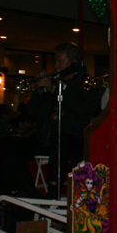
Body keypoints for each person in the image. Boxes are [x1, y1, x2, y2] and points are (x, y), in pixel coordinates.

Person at [26, 43, 102, 198]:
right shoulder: (54, 81)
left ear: (72, 63)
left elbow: (86, 111)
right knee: (8, 147)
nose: (55, 65)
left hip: (73, 139)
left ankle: (54, 193)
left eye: (59, 61)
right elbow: (31, 112)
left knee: (61, 139)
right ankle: (29, 194)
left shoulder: (85, 82)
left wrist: (55, 92)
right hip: (45, 138)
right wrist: (40, 91)